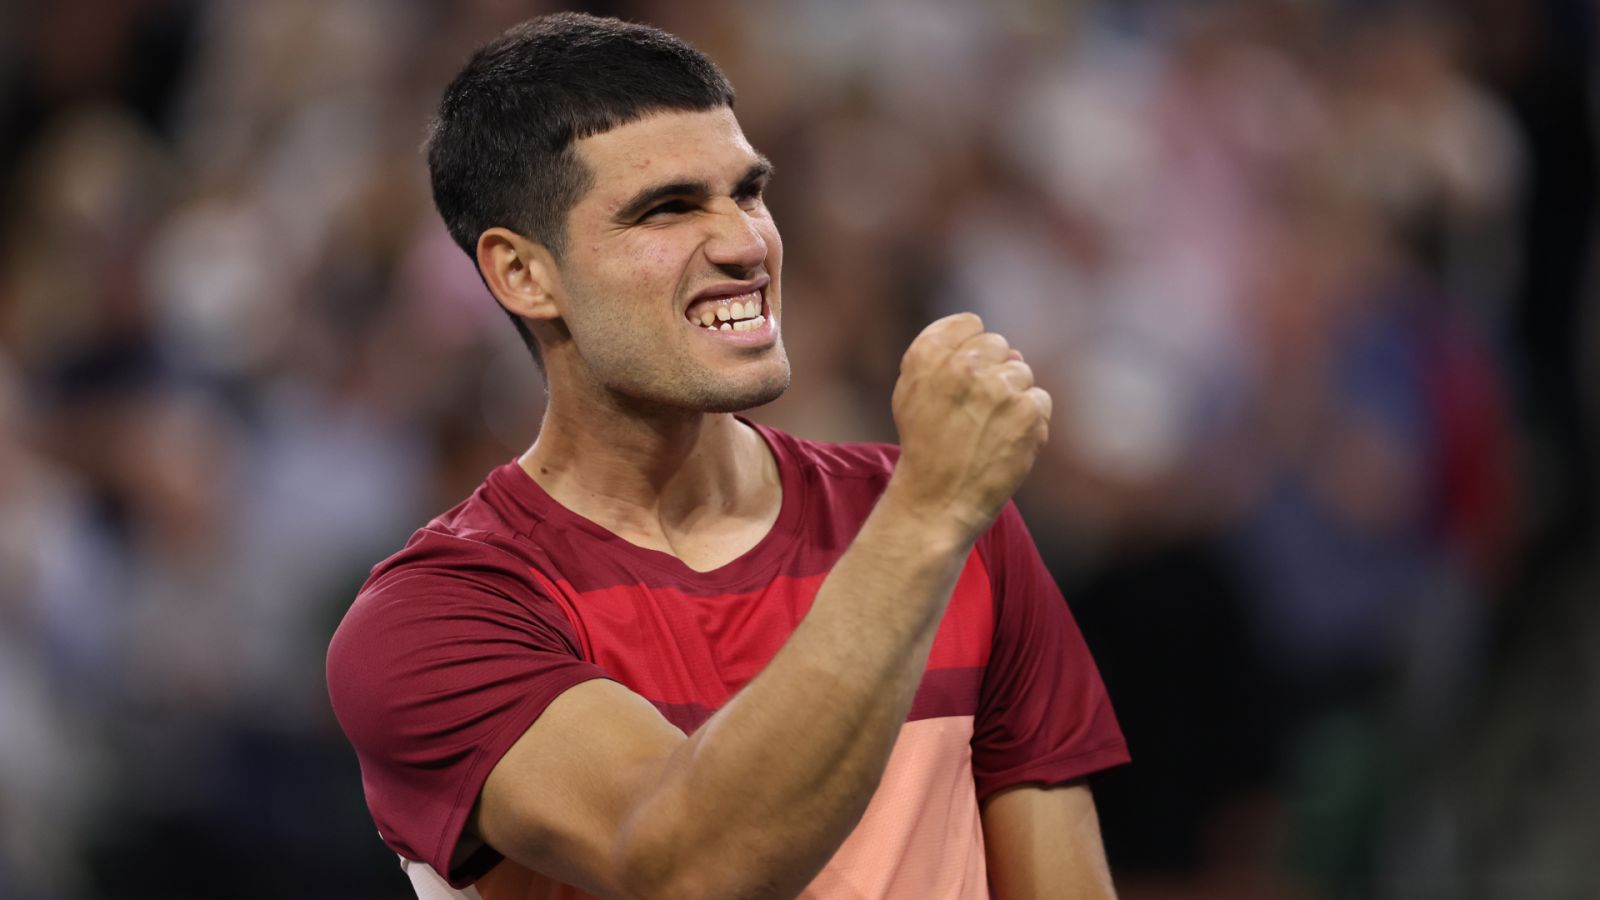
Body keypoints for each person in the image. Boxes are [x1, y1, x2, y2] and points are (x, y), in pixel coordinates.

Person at [325, 12, 1128, 899]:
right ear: (523, 274)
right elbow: (687, 865)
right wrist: (926, 519)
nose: (747, 244)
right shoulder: (436, 619)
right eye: (668, 208)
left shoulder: (958, 529)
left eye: (747, 193)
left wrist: (933, 517)